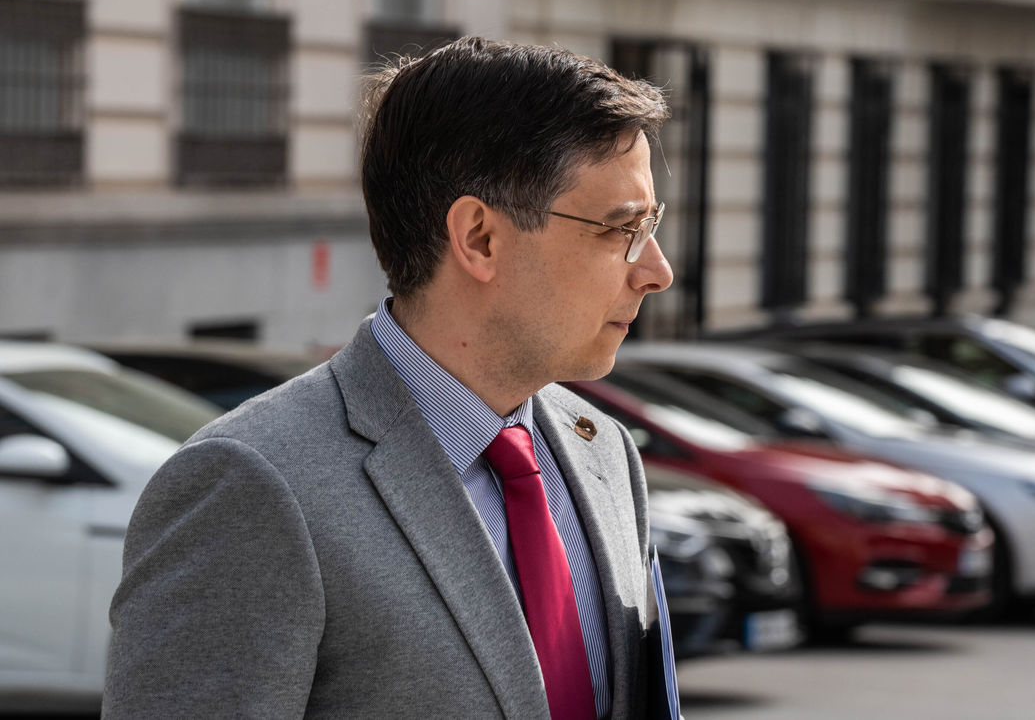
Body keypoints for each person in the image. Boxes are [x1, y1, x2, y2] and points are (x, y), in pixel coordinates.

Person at [102, 36, 673, 719]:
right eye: (621, 229)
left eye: (651, 224)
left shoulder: (603, 451)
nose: (657, 270)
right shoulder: (252, 486)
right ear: (480, 238)